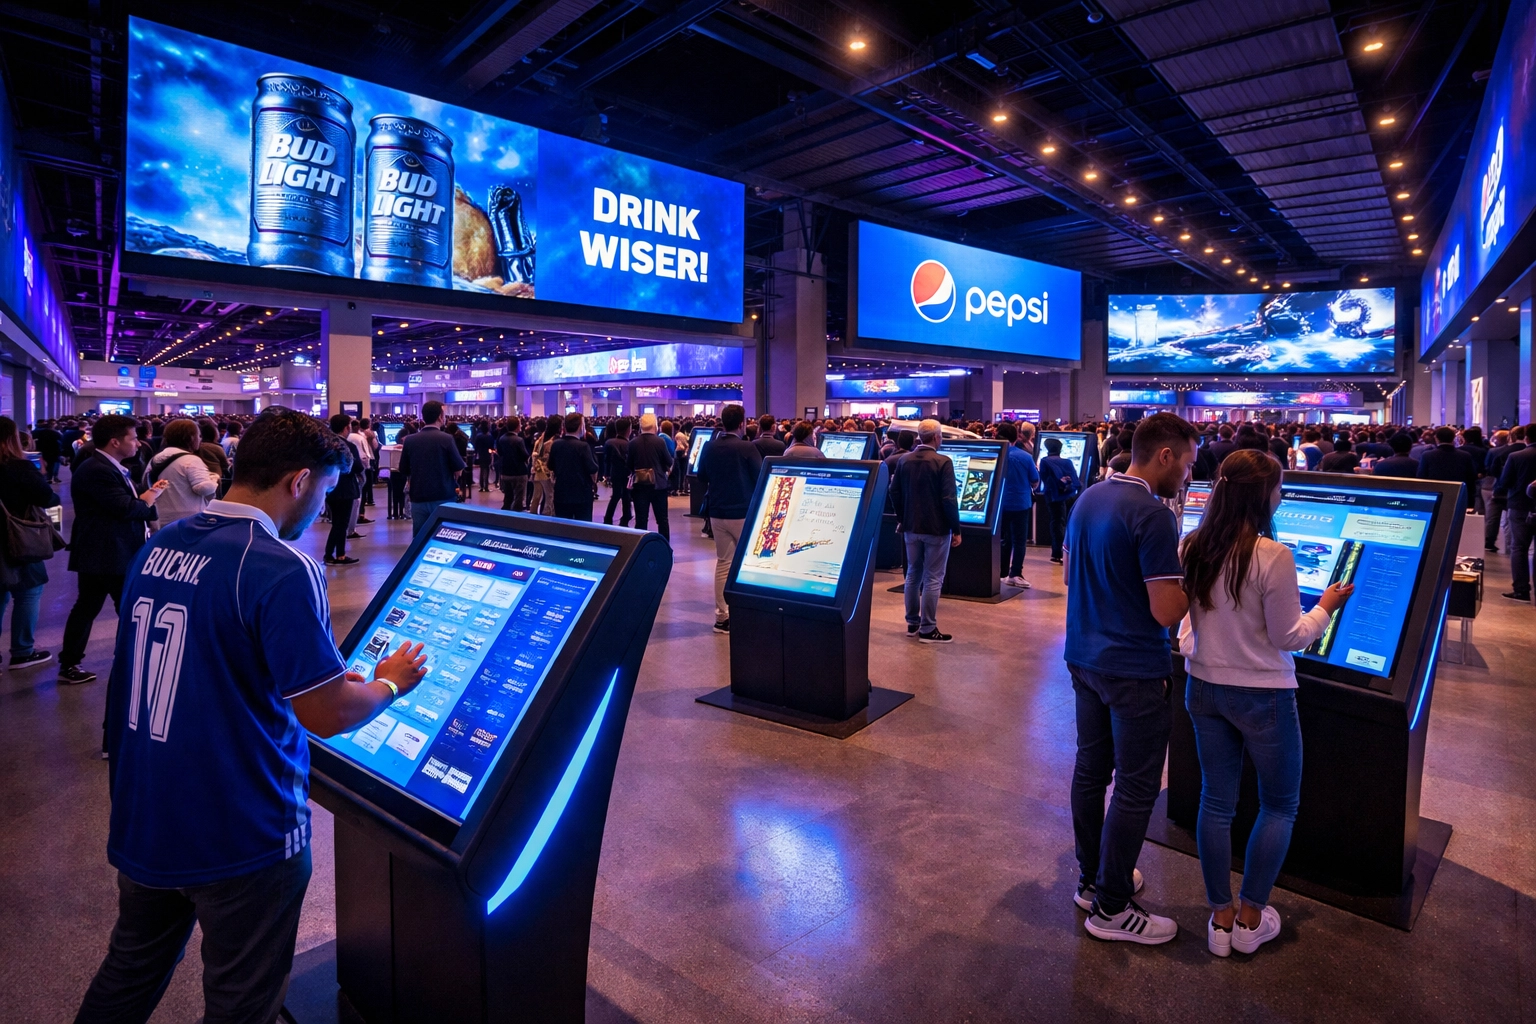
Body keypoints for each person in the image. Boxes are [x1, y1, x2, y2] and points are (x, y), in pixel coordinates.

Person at [74, 408, 428, 1024]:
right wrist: (388, 685)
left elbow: (203, 660)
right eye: (323, 491)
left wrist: (305, 674)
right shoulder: (280, 566)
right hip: (243, 829)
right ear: (298, 481)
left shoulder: (161, 545)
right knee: (243, 1001)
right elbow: (325, 715)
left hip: (148, 812)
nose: (321, 508)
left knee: (128, 975)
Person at [1179, 450, 1354, 958]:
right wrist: (1324, 607)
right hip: (1265, 696)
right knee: (1279, 804)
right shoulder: (1272, 556)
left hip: (1203, 687)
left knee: (1216, 802)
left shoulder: (1192, 544)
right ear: (1265, 496)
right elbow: (1288, 636)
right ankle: (1253, 916)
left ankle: (1220, 918)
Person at [1063, 411, 1198, 945]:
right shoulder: (1154, 515)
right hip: (1133, 668)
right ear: (1164, 455)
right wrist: (1202, 579)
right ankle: (1113, 908)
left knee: (1091, 771)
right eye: (1186, 463)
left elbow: (1075, 573)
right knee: (1138, 786)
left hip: (1084, 657)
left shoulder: (1090, 497)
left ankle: (1092, 879)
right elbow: (1167, 611)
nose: (1188, 474)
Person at [59, 415, 169, 687]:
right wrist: (150, 499)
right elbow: (126, 508)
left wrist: (145, 499)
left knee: (90, 606)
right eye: (133, 438)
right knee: (127, 606)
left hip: (106, 551)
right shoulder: (97, 470)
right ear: (115, 442)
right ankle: (132, 657)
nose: (137, 443)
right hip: (108, 552)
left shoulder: (108, 466)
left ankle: (72, 661)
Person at [890, 419, 960, 643]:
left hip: (911, 527)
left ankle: (913, 623)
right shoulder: (943, 462)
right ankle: (928, 629)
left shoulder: (904, 460)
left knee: (913, 574)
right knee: (933, 578)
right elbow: (949, 499)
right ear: (937, 437)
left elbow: (894, 492)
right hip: (936, 529)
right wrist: (956, 529)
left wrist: (902, 518)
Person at [696, 404, 763, 634]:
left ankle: (722, 617)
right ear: (742, 423)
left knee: (723, 562)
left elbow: (702, 476)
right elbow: (760, 476)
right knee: (748, 563)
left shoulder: (710, 447)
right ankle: (748, 612)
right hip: (742, 511)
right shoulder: (747, 448)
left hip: (717, 511)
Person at [0, 416, 60, 669]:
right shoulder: (19, 467)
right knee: (28, 592)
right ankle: (22, 651)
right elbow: (48, 498)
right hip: (19, 540)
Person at [398, 401, 465, 535]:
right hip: (443, 495)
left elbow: (403, 469)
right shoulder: (447, 439)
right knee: (442, 535)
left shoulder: (410, 440)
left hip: (418, 497)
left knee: (419, 536)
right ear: (440, 417)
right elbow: (458, 468)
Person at [146, 419, 220, 530]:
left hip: (160, 518)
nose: (200, 439)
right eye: (199, 436)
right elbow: (203, 488)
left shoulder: (156, 458)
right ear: (191, 437)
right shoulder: (191, 460)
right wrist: (214, 479)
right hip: (188, 520)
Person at [995, 421, 1039, 589]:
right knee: (1019, 541)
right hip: (1021, 503)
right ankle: (1015, 574)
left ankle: (1001, 572)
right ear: (1016, 437)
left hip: (1000, 503)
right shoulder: (1025, 457)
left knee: (1003, 539)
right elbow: (1035, 480)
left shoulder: (996, 453)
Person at [1496, 424, 1536, 602]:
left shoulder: (1516, 456)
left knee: (1519, 548)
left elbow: (1505, 482)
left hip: (1519, 506)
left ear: (1526, 437)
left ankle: (1521, 590)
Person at [323, 413, 365, 565]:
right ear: (347, 427)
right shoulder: (349, 447)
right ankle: (338, 555)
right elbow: (357, 467)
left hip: (329, 488)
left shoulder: (325, 444)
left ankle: (330, 554)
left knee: (336, 522)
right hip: (346, 489)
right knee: (342, 524)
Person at [627, 413, 674, 540]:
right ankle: (665, 548)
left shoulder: (633, 443)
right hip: (658, 485)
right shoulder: (660, 441)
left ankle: (640, 548)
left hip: (639, 486)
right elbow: (669, 461)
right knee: (662, 520)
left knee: (641, 520)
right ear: (655, 425)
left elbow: (629, 464)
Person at [1037, 436, 1081, 564]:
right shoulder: (1068, 462)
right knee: (1066, 523)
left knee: (1056, 523)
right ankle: (1068, 550)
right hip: (1069, 495)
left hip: (1053, 497)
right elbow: (1076, 480)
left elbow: (1044, 479)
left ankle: (1057, 553)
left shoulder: (1045, 461)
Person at [549, 413, 599, 521]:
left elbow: (550, 465)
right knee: (583, 528)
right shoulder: (583, 446)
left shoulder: (556, 444)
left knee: (562, 527)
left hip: (561, 492)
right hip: (581, 494)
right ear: (581, 427)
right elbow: (592, 468)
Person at [1417, 426, 1479, 509]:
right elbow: (1471, 477)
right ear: (1453, 438)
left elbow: (1421, 477)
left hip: (1434, 494)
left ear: (1436, 438)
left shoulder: (1427, 455)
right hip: (1458, 494)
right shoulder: (1465, 456)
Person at [1487, 427, 1525, 553]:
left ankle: (1489, 541)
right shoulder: (1528, 451)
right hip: (1523, 494)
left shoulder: (1498, 452)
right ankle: (1510, 545)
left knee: (1493, 517)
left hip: (1501, 490)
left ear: (1511, 436)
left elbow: (1493, 471)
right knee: (1513, 522)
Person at [601, 417, 631, 525]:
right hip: (627, 474)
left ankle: (608, 517)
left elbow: (606, 460)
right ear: (629, 429)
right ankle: (626, 516)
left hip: (615, 473)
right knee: (626, 495)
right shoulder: (629, 444)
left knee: (615, 495)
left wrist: (606, 474)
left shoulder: (609, 443)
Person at [497, 423, 530, 512]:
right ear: (517, 427)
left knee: (508, 496)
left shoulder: (502, 438)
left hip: (505, 471)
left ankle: (506, 515)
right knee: (518, 497)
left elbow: (499, 453)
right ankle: (516, 516)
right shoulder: (519, 440)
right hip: (519, 472)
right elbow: (525, 455)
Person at [529, 418, 558, 516]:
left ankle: (532, 515)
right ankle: (547, 515)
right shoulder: (552, 441)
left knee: (537, 495)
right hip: (546, 470)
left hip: (537, 468)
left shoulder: (541, 438)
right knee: (550, 495)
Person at [35, 419, 63, 483]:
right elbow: (61, 441)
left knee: (45, 464)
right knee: (54, 464)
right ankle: (53, 477)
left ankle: (47, 477)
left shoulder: (39, 432)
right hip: (54, 450)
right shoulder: (56, 433)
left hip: (43, 450)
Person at [472, 420, 495, 493]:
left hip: (480, 454)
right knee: (487, 470)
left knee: (482, 470)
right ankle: (486, 487)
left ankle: (481, 486)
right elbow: (492, 447)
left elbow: (476, 446)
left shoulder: (478, 436)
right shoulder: (490, 436)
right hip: (487, 454)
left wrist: (475, 454)